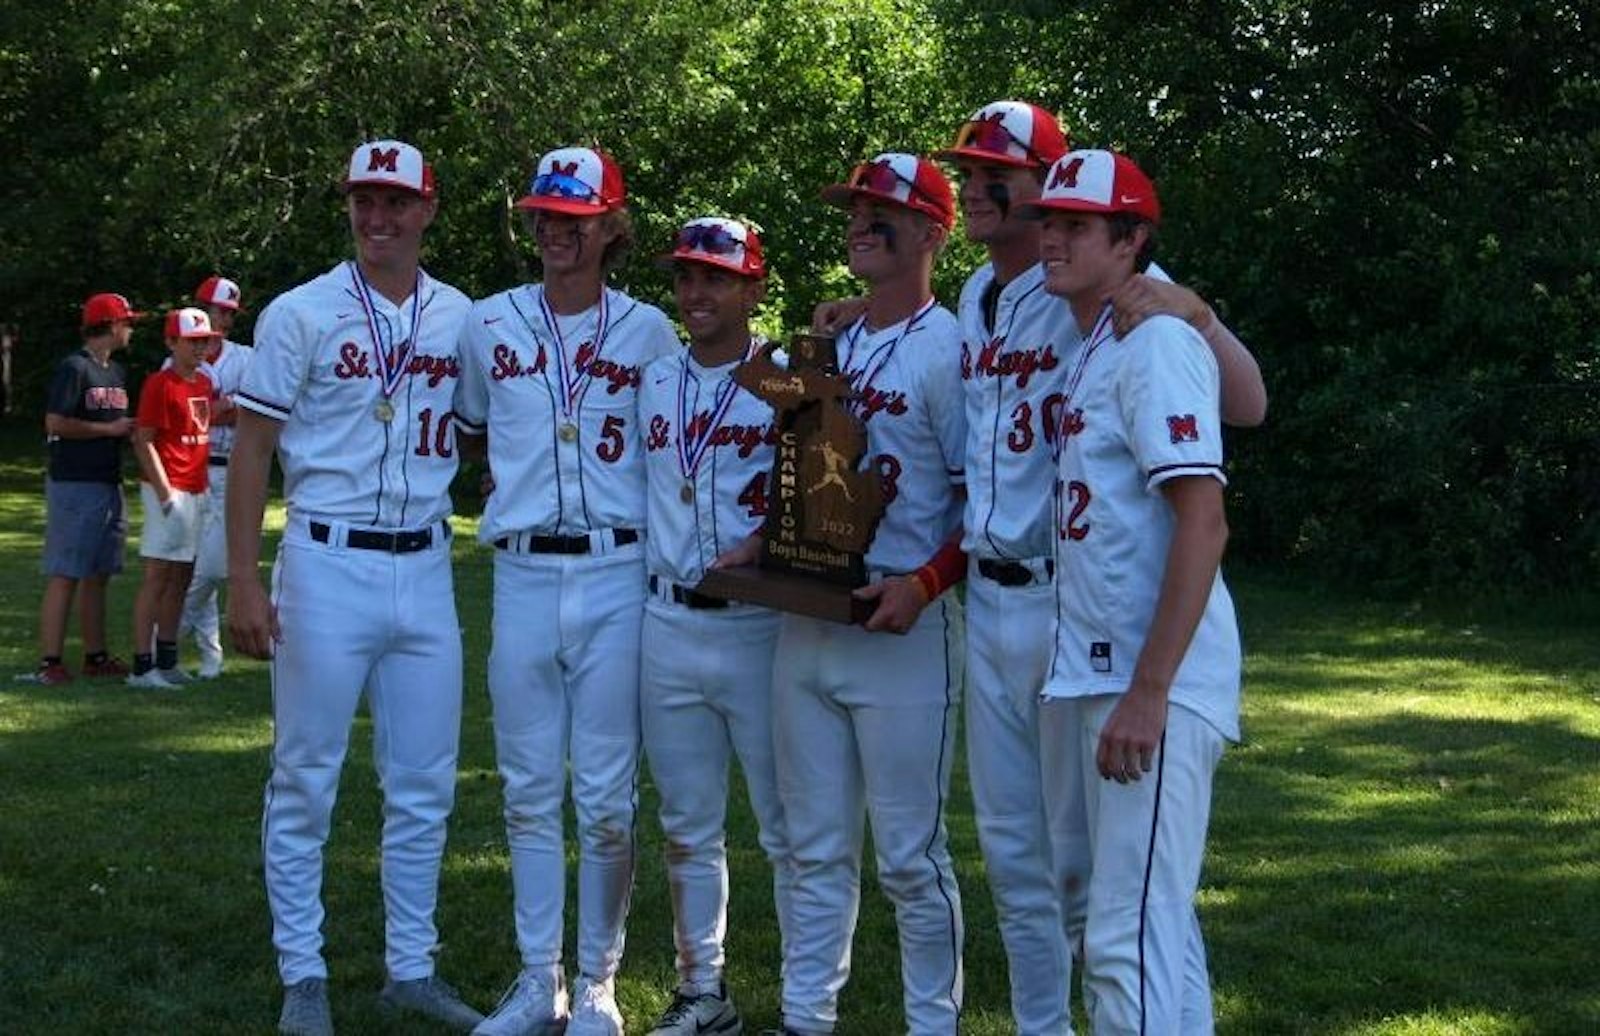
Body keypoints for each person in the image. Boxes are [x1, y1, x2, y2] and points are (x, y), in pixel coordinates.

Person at [926, 101, 1269, 1035]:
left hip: (1099, 625)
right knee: (1090, 891)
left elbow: (1236, 432)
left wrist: (1195, 310)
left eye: (1008, 174)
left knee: (1121, 924)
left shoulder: (1134, 309)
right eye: (970, 169)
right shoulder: (988, 298)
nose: (985, 187)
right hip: (1045, 619)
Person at [227, 139, 482, 1036]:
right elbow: (252, 448)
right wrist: (246, 582)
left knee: (423, 781)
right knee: (306, 775)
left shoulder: (463, 318)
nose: (378, 218)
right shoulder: (301, 311)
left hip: (424, 563)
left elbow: (500, 421)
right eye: (362, 201)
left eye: (395, 203)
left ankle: (410, 967)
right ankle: (304, 970)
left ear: (427, 207)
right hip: (326, 559)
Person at [740, 153, 969, 1035]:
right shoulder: (836, 338)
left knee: (911, 858)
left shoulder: (949, 348)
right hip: (809, 617)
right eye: (856, 209)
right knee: (811, 847)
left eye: (884, 211)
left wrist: (927, 582)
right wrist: (764, 541)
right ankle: (805, 1019)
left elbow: (977, 496)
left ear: (931, 233)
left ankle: (933, 1025)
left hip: (897, 623)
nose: (861, 223)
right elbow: (799, 468)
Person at [457, 145, 678, 1036]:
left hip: (618, 568)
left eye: (576, 219)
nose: (557, 231)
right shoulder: (488, 323)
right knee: (524, 786)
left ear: (612, 228)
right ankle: (535, 979)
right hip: (521, 570)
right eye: (546, 215)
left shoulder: (649, 330)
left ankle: (597, 983)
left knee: (607, 793)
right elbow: (473, 432)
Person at [1023, 149, 1242, 1035]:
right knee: (1134, 923)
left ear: (1132, 241)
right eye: (1050, 219)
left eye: (1078, 224)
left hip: (1149, 680)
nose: (1054, 237)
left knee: (1124, 939)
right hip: (1092, 668)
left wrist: (1149, 692)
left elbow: (1204, 522)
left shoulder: (1154, 343)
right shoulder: (1092, 344)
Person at [635, 217, 792, 1036]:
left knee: (786, 824)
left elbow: (824, 489)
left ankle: (805, 1003)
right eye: (686, 278)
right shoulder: (654, 379)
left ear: (753, 287)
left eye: (716, 279)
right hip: (667, 620)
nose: (696, 294)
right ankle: (704, 990)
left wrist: (768, 540)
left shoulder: (787, 378)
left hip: (758, 627)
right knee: (687, 823)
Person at [24, 292, 138, 686]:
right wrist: (108, 429)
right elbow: (54, 422)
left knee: (99, 572)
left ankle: (96, 656)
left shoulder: (118, 374)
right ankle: (49, 661)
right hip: (74, 483)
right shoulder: (75, 368)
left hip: (109, 482)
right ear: (109, 324)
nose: (131, 328)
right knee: (66, 571)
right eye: (127, 321)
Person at [126, 307, 216, 688]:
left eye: (204, 341)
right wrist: (166, 496)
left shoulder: (204, 383)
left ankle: (167, 659)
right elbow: (143, 442)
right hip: (168, 491)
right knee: (158, 576)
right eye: (192, 341)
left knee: (182, 576)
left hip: (196, 489)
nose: (200, 348)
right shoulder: (159, 384)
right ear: (171, 342)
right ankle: (142, 667)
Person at [176, 275, 253, 678]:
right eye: (219, 310)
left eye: (230, 313)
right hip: (189, 467)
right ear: (202, 308)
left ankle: (162, 639)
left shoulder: (245, 357)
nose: (225, 319)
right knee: (191, 564)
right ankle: (210, 657)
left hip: (231, 470)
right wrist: (221, 406)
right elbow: (184, 412)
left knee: (211, 566)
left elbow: (253, 409)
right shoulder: (178, 355)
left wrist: (216, 406)